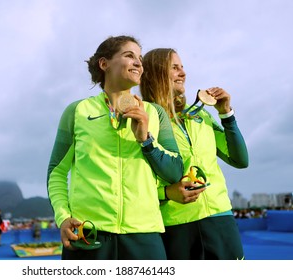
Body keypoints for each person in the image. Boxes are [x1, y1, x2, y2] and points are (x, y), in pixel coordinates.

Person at [47, 35, 183, 260]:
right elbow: (56, 172)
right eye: (130, 56)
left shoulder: (155, 113)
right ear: (104, 64)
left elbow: (175, 171)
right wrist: (63, 217)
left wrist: (146, 141)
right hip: (88, 234)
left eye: (140, 58)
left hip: (144, 235)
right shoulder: (77, 111)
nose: (139, 63)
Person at [140, 48, 249, 259]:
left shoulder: (200, 116)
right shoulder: (145, 119)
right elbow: (136, 181)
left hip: (220, 218)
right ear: (155, 73)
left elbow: (240, 159)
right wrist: (165, 193)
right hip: (176, 225)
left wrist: (226, 113)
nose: (183, 73)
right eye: (174, 68)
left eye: (182, 67)